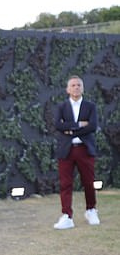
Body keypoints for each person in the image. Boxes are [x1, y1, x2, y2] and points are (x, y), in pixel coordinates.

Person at [53, 75, 100, 229]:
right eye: (73, 85)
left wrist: (70, 130)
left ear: (83, 88)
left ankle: (91, 209)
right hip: (66, 150)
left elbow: (92, 126)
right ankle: (67, 215)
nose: (76, 87)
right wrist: (79, 125)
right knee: (66, 183)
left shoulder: (90, 106)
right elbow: (57, 126)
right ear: (68, 89)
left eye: (79, 85)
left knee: (88, 182)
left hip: (84, 150)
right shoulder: (61, 107)